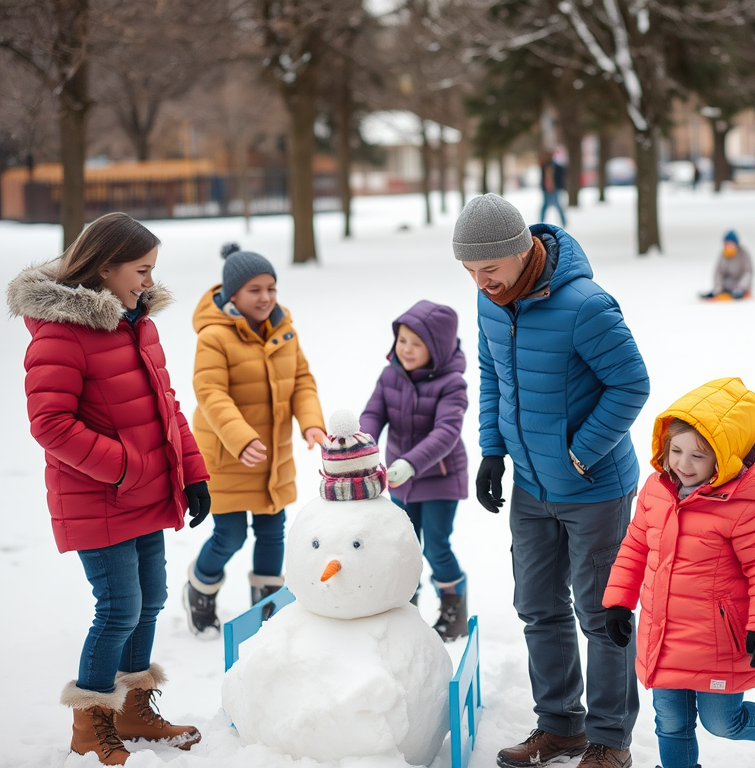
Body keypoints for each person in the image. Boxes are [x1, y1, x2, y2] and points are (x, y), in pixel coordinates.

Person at [453, 193, 650, 768]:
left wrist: (582, 455)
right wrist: (492, 451)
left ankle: (610, 739)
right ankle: (560, 725)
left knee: (601, 614)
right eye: (469, 270)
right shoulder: (491, 304)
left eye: (488, 267)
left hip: (594, 490)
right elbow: (492, 374)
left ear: (521, 251)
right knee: (538, 605)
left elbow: (631, 385)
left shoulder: (585, 305)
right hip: (532, 488)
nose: (480, 281)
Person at [7, 212, 210, 765]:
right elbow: (49, 423)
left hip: (144, 493)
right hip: (98, 497)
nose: (148, 282)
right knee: (120, 607)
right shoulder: (61, 333)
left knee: (150, 603)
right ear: (105, 267)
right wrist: (125, 467)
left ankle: (132, 709)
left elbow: (167, 409)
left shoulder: (137, 323)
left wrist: (192, 473)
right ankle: (89, 723)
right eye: (141, 270)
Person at [603, 379, 755, 768]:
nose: (683, 464)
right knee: (670, 722)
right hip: (662, 635)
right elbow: (635, 546)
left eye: (698, 456)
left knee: (724, 723)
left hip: (716, 641)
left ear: (724, 458)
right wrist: (618, 602)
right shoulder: (656, 490)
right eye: (676, 450)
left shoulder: (746, 505)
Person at [184, 243, 326, 637]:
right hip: (228, 457)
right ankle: (200, 588)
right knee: (229, 535)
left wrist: (311, 423)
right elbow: (211, 393)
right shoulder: (214, 337)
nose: (266, 298)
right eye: (255, 290)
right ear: (232, 294)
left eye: (272, 288)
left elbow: (301, 381)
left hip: (272, 457)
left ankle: (266, 610)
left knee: (272, 532)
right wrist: (240, 437)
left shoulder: (284, 331)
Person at [359, 300, 470, 641]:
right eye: (402, 340)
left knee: (435, 545)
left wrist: (411, 463)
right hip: (399, 479)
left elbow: (446, 432)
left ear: (435, 348)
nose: (406, 349)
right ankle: (407, 606)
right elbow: (374, 413)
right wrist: (362, 442)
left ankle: (454, 606)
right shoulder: (390, 374)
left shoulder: (451, 383)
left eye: (416, 343)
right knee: (404, 545)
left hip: (439, 478)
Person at [699, 230, 753, 300]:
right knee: (721, 290)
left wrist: (741, 288)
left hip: (740, 286)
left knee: (738, 294)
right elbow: (718, 272)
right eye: (726, 244)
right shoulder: (722, 255)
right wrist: (717, 288)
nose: (728, 246)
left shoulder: (743, 255)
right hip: (727, 285)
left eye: (730, 244)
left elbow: (748, 272)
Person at [539, 150, 567, 227]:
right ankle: (541, 221)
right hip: (547, 189)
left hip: (553, 188)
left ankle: (564, 222)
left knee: (557, 206)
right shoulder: (545, 165)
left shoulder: (552, 165)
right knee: (546, 206)